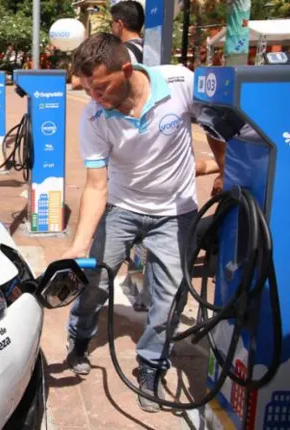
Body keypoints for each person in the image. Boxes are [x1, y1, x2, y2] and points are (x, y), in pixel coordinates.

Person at [59, 32, 225, 413]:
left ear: (127, 69)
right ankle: (79, 337)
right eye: (88, 89)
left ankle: (151, 367)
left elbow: (215, 125)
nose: (95, 97)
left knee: (168, 300)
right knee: (95, 281)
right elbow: (96, 186)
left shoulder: (181, 82)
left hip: (175, 211)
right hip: (122, 206)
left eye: (101, 87)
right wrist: (79, 246)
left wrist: (226, 168)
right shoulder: (95, 116)